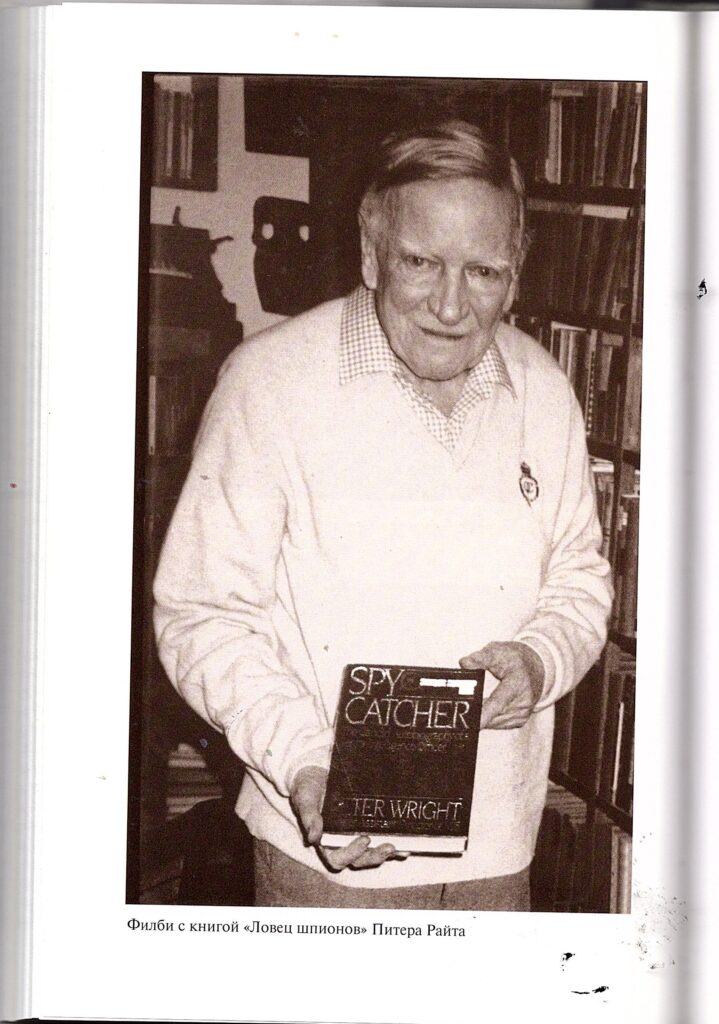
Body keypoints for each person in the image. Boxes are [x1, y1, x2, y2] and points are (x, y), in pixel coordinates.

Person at [153, 120, 612, 911]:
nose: (450, 304)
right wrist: (302, 762)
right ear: (370, 253)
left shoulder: (544, 388)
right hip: (322, 852)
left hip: (498, 848)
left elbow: (579, 574)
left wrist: (538, 660)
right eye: (420, 261)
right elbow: (201, 613)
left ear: (517, 272)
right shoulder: (269, 382)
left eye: (483, 272)